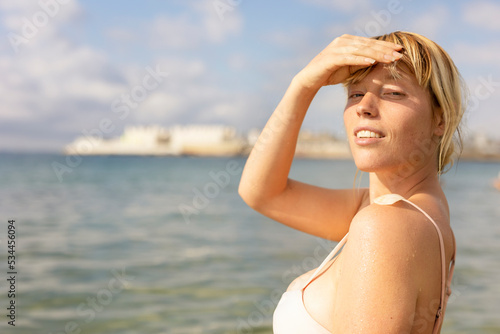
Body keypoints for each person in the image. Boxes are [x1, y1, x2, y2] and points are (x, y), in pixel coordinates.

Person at [238, 31, 464, 333]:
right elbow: (262, 193)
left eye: (393, 93)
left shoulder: (386, 225)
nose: (364, 107)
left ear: (441, 120)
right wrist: (304, 84)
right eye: (355, 94)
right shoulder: (400, 214)